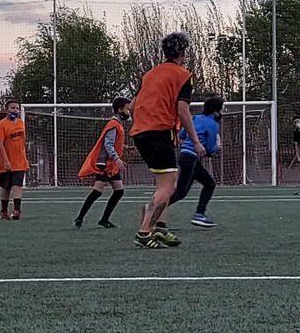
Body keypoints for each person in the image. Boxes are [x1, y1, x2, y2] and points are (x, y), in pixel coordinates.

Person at [130, 32, 206, 249]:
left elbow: (133, 105)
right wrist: (196, 141)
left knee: (164, 183)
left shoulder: (150, 74)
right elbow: (183, 110)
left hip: (140, 132)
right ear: (183, 52)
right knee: (169, 185)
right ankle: (144, 232)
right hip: (159, 132)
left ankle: (159, 227)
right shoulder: (183, 75)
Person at [166, 94, 222, 228]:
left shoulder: (195, 118)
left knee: (209, 183)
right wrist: (216, 148)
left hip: (185, 156)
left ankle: (200, 214)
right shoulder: (213, 124)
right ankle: (154, 210)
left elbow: (182, 135)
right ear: (216, 111)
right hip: (190, 158)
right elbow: (209, 149)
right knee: (180, 192)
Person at [74, 98, 131, 229]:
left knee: (118, 191)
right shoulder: (114, 124)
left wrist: (125, 147)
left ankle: (104, 219)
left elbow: (114, 143)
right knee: (97, 191)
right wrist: (117, 158)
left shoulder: (118, 124)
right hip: (105, 164)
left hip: (111, 165)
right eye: (128, 109)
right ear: (120, 109)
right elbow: (108, 144)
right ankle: (80, 217)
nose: (129, 112)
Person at [0, 99, 29, 221]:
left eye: (17, 108)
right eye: (12, 108)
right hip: (5, 163)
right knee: (6, 187)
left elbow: (22, 143)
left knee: (18, 185)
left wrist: (24, 158)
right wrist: (6, 161)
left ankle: (17, 210)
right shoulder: (1, 125)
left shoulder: (20, 123)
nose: (15, 110)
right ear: (7, 110)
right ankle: (3, 211)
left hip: (19, 162)